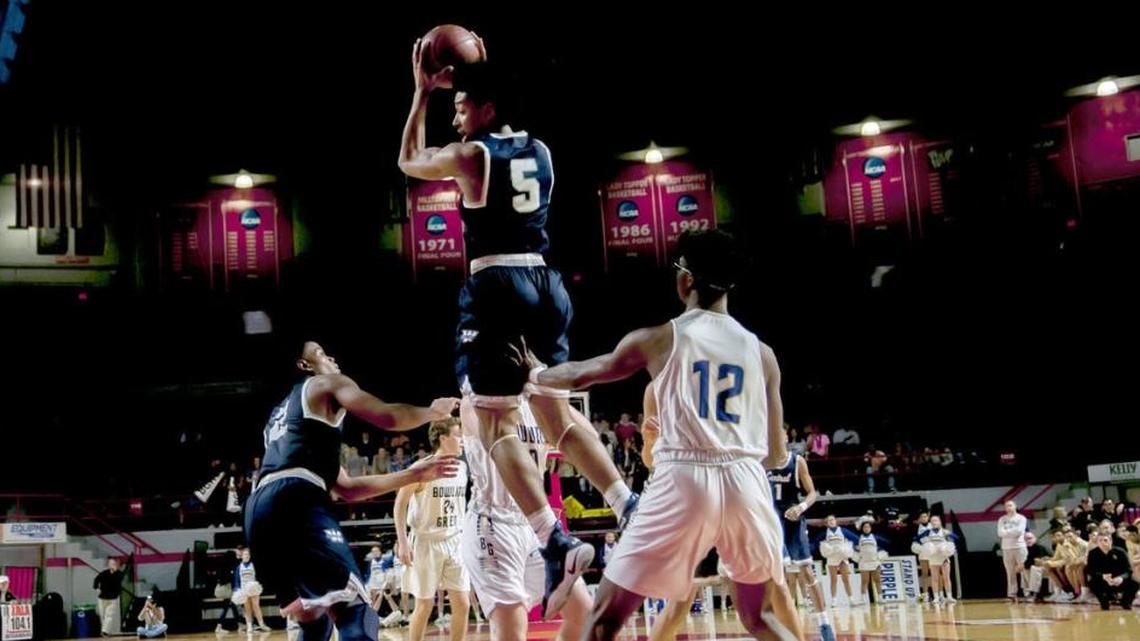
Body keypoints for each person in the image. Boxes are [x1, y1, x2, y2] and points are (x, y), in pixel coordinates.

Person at [398, 44, 639, 617]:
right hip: (547, 282)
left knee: (491, 419)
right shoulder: (543, 150)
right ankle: (625, 500)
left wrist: (421, 91)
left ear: (484, 108)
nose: (455, 116)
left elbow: (409, 160)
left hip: (496, 283)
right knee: (556, 413)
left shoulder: (471, 154)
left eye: (460, 107)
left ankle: (553, 538)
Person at [516, 230, 806, 641]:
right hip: (747, 483)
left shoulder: (659, 337)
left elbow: (584, 373)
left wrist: (532, 374)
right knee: (760, 618)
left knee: (605, 617)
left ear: (685, 279)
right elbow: (777, 454)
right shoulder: (763, 354)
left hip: (684, 477)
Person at [244, 341, 460, 641]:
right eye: (320, 353)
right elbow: (387, 416)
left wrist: (412, 474)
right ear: (305, 366)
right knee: (356, 612)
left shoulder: (282, 416)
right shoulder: (326, 384)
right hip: (296, 500)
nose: (331, 357)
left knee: (315, 618)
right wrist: (432, 412)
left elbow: (347, 488)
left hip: (258, 512)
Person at [457, 395, 592, 641]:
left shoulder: (536, 403)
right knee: (511, 630)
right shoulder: (473, 403)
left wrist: (556, 403)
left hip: (531, 524)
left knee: (583, 612)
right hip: (492, 524)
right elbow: (501, 442)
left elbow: (588, 439)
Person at [394, 417, 471, 641]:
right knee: (424, 606)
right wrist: (403, 541)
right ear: (443, 438)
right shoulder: (421, 468)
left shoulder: (463, 468)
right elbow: (400, 504)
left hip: (456, 540)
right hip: (426, 542)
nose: (462, 440)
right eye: (458, 435)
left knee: (463, 604)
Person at [768, 427, 829, 621]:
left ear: (786, 437)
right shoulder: (761, 461)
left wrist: (801, 507)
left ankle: (824, 622)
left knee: (807, 572)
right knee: (778, 574)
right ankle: (782, 621)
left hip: (793, 520)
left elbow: (813, 493)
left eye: (781, 434)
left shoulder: (797, 461)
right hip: (772, 521)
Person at [1085, 532, 1138, 610]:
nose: (1103, 543)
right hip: (1103, 581)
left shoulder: (1120, 552)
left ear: (1111, 541)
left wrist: (1121, 578)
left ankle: (1125, 601)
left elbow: (1128, 570)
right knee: (1091, 582)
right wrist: (1103, 576)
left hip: (1118, 580)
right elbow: (1090, 571)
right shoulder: (1093, 553)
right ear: (1097, 543)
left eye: (1105, 540)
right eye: (1100, 541)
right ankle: (1104, 601)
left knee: (1135, 583)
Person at [815, 515, 860, 605]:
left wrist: (851, 548)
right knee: (833, 579)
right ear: (826, 524)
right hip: (832, 557)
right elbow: (816, 542)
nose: (830, 522)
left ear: (835, 521)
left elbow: (856, 539)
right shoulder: (824, 533)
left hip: (842, 557)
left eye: (832, 520)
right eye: (828, 521)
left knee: (846, 579)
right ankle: (833, 601)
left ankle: (851, 600)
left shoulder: (843, 531)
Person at [915, 516, 958, 604]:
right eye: (932, 521)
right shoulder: (928, 532)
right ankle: (936, 597)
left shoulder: (944, 531)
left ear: (940, 522)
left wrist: (950, 540)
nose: (934, 522)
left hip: (943, 556)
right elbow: (917, 538)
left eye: (936, 520)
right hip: (934, 556)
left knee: (946, 577)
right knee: (935, 578)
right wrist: (925, 544)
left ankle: (949, 596)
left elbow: (957, 537)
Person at [997, 500, 1028, 603]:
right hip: (1006, 548)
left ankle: (1027, 593)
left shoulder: (1021, 518)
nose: (1008, 507)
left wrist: (1007, 533)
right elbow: (1000, 533)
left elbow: (1019, 531)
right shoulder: (1002, 519)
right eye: (1006, 506)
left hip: (1019, 546)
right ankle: (1012, 594)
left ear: (1015, 506)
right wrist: (1011, 533)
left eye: (1010, 505)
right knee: (1010, 572)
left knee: (1024, 570)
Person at [232, 547, 269, 632]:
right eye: (245, 554)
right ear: (242, 556)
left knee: (256, 606)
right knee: (247, 608)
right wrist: (237, 589)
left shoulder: (253, 565)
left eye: (248, 554)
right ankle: (249, 626)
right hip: (244, 589)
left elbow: (258, 576)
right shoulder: (239, 567)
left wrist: (258, 584)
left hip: (253, 588)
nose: (247, 556)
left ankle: (262, 625)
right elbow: (237, 579)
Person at [854, 520, 890, 604]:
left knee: (877, 580)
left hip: (874, 562)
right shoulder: (858, 538)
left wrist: (879, 550)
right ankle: (862, 599)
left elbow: (887, 542)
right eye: (865, 527)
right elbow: (854, 548)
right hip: (864, 562)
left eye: (868, 527)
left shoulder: (875, 537)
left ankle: (880, 598)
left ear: (871, 528)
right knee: (864, 581)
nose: (866, 528)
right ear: (862, 529)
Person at [94, 557, 124, 636]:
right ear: (108, 565)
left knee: (109, 615)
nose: (112, 565)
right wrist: (96, 588)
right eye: (111, 564)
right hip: (102, 597)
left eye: (114, 564)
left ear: (117, 565)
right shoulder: (104, 573)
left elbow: (120, 580)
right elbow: (96, 580)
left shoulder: (119, 574)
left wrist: (115, 571)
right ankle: (103, 630)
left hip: (113, 598)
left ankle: (105, 631)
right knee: (102, 615)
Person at [1021, 532, 1050, 601]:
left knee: (1034, 569)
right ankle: (1027, 593)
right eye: (1026, 539)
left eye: (1030, 538)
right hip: (1038, 567)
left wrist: (1024, 564)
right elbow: (1028, 562)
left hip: (1047, 567)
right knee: (1024, 570)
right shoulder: (1026, 549)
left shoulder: (1039, 547)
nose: (1028, 541)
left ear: (1035, 539)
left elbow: (1038, 562)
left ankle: (1034, 592)